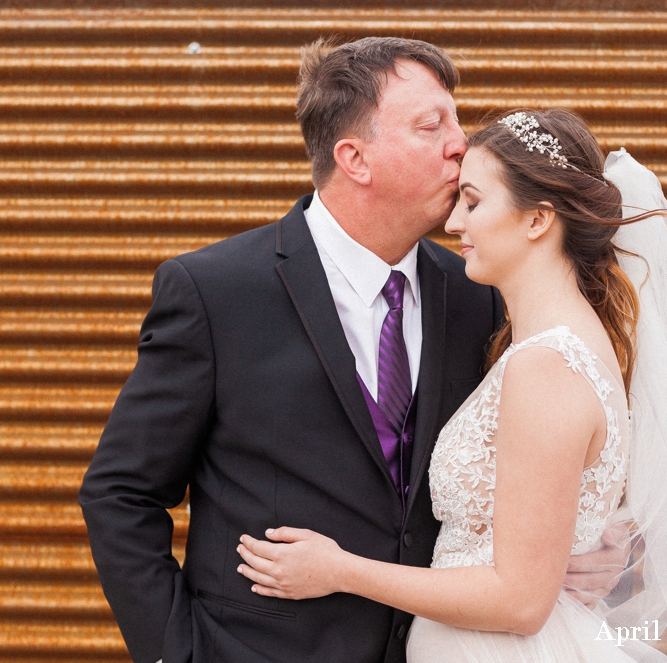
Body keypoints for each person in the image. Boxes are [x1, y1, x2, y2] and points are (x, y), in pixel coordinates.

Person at [79, 38, 628, 663]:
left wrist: (598, 545)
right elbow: (120, 493)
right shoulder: (216, 292)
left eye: (456, 117)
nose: (463, 142)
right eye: (432, 125)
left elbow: (544, 461)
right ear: (355, 158)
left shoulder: (480, 295)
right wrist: (180, 654)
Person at [235, 109, 667, 662]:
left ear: (537, 219)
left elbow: (518, 601)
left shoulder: (546, 365)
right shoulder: (553, 345)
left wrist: (340, 570)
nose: (455, 224)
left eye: (474, 201)